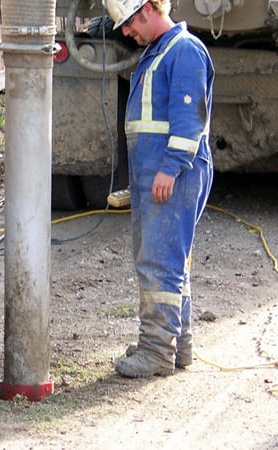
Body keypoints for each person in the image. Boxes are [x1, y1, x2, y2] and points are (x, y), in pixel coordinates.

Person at [101, 0, 215, 377]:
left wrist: (170, 169)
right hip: (158, 175)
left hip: (171, 176)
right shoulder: (158, 53)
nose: (127, 32)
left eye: (130, 22)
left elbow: (189, 117)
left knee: (160, 260)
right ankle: (175, 344)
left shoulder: (183, 50)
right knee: (170, 259)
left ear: (149, 8)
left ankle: (155, 351)